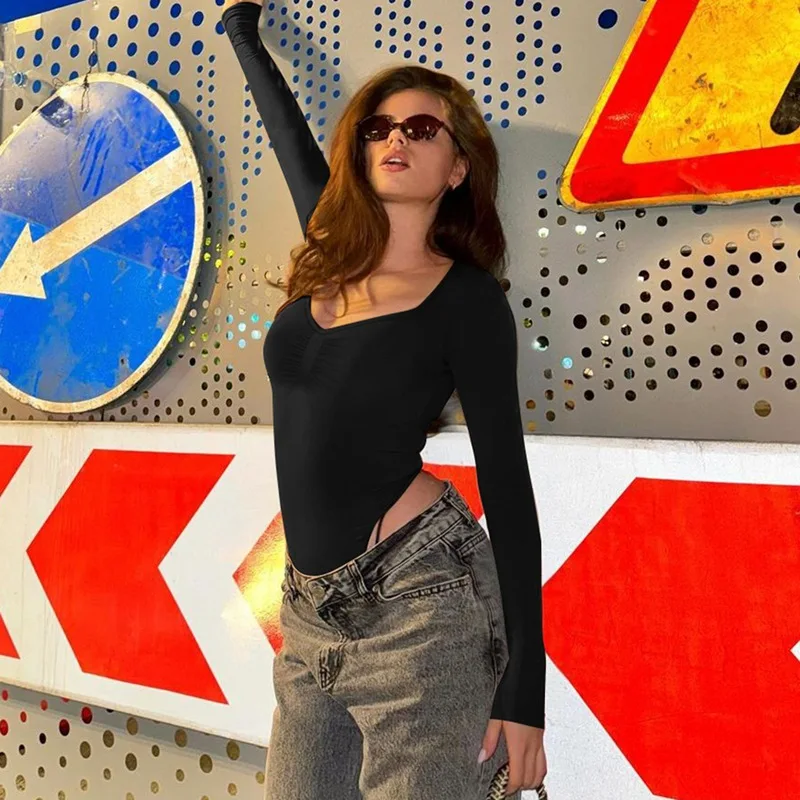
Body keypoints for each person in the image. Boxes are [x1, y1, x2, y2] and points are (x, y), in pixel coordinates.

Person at [221, 2, 547, 797]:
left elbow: (508, 486)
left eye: (422, 129)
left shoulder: (466, 300)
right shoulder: (332, 258)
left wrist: (525, 692)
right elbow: (292, 144)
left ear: (458, 168)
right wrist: (242, 31)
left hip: (420, 602)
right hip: (307, 611)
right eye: (379, 128)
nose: (395, 138)